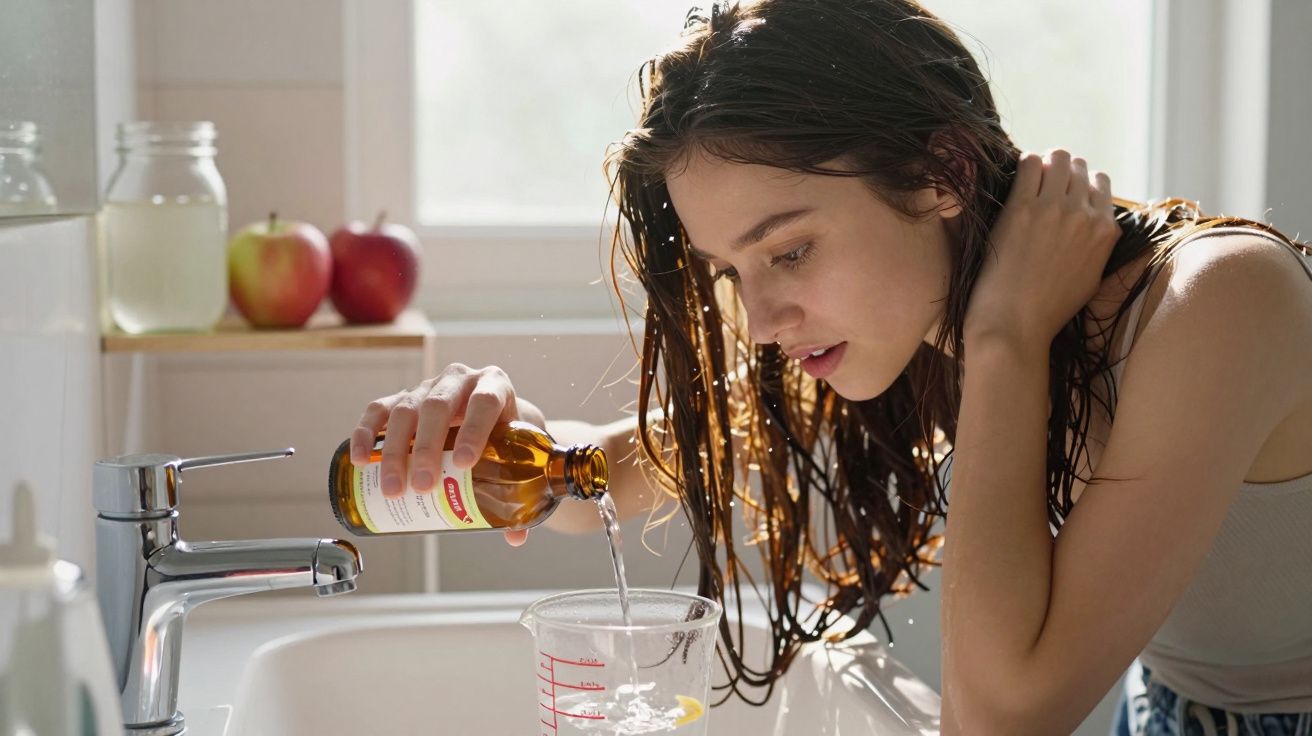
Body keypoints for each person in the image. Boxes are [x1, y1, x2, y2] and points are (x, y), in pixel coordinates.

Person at [350, 1, 1312, 733]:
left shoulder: (1223, 299)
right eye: (733, 272)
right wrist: (496, 442)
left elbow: (998, 722)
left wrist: (1006, 338)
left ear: (943, 173)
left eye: (792, 250)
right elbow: (609, 479)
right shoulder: (922, 319)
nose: (764, 320)